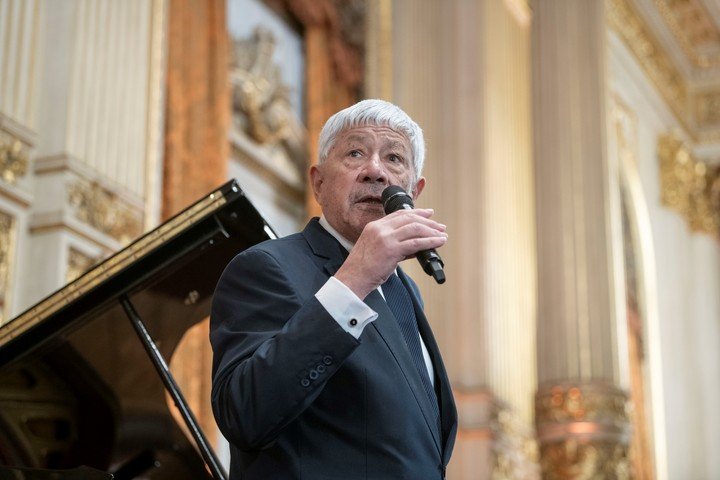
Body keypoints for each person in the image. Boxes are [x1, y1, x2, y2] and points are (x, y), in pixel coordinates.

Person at [210, 99, 457, 479]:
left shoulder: (407, 292)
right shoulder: (265, 268)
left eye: (394, 159)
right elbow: (245, 413)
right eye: (355, 152)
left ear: (415, 191)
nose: (375, 171)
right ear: (318, 182)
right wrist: (355, 277)